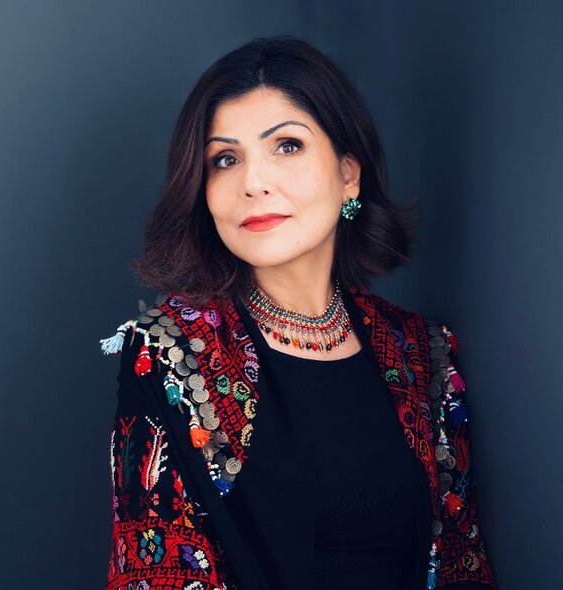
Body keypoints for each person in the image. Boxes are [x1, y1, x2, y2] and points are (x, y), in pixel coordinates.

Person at [99, 36, 498, 590]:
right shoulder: (171, 355)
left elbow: (462, 563)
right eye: (225, 159)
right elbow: (154, 570)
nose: (253, 183)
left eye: (286, 146)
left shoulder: (421, 352)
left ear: (348, 174)